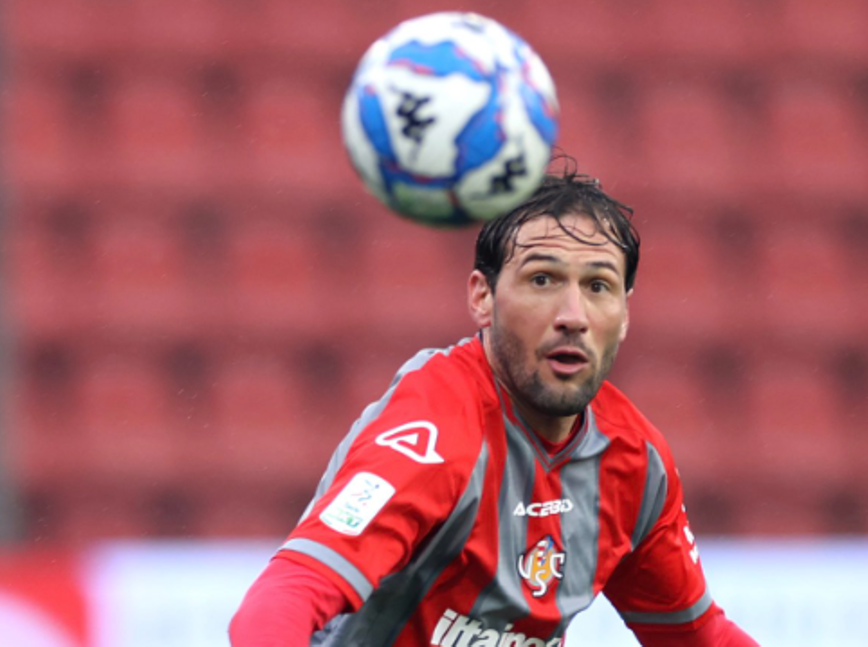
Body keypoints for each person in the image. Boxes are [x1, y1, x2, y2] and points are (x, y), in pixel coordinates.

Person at [229, 168, 758, 647]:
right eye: (543, 279)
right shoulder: (435, 432)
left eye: (598, 286)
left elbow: (699, 638)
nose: (573, 315)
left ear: (623, 315)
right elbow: (280, 603)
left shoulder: (634, 462)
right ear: (482, 298)